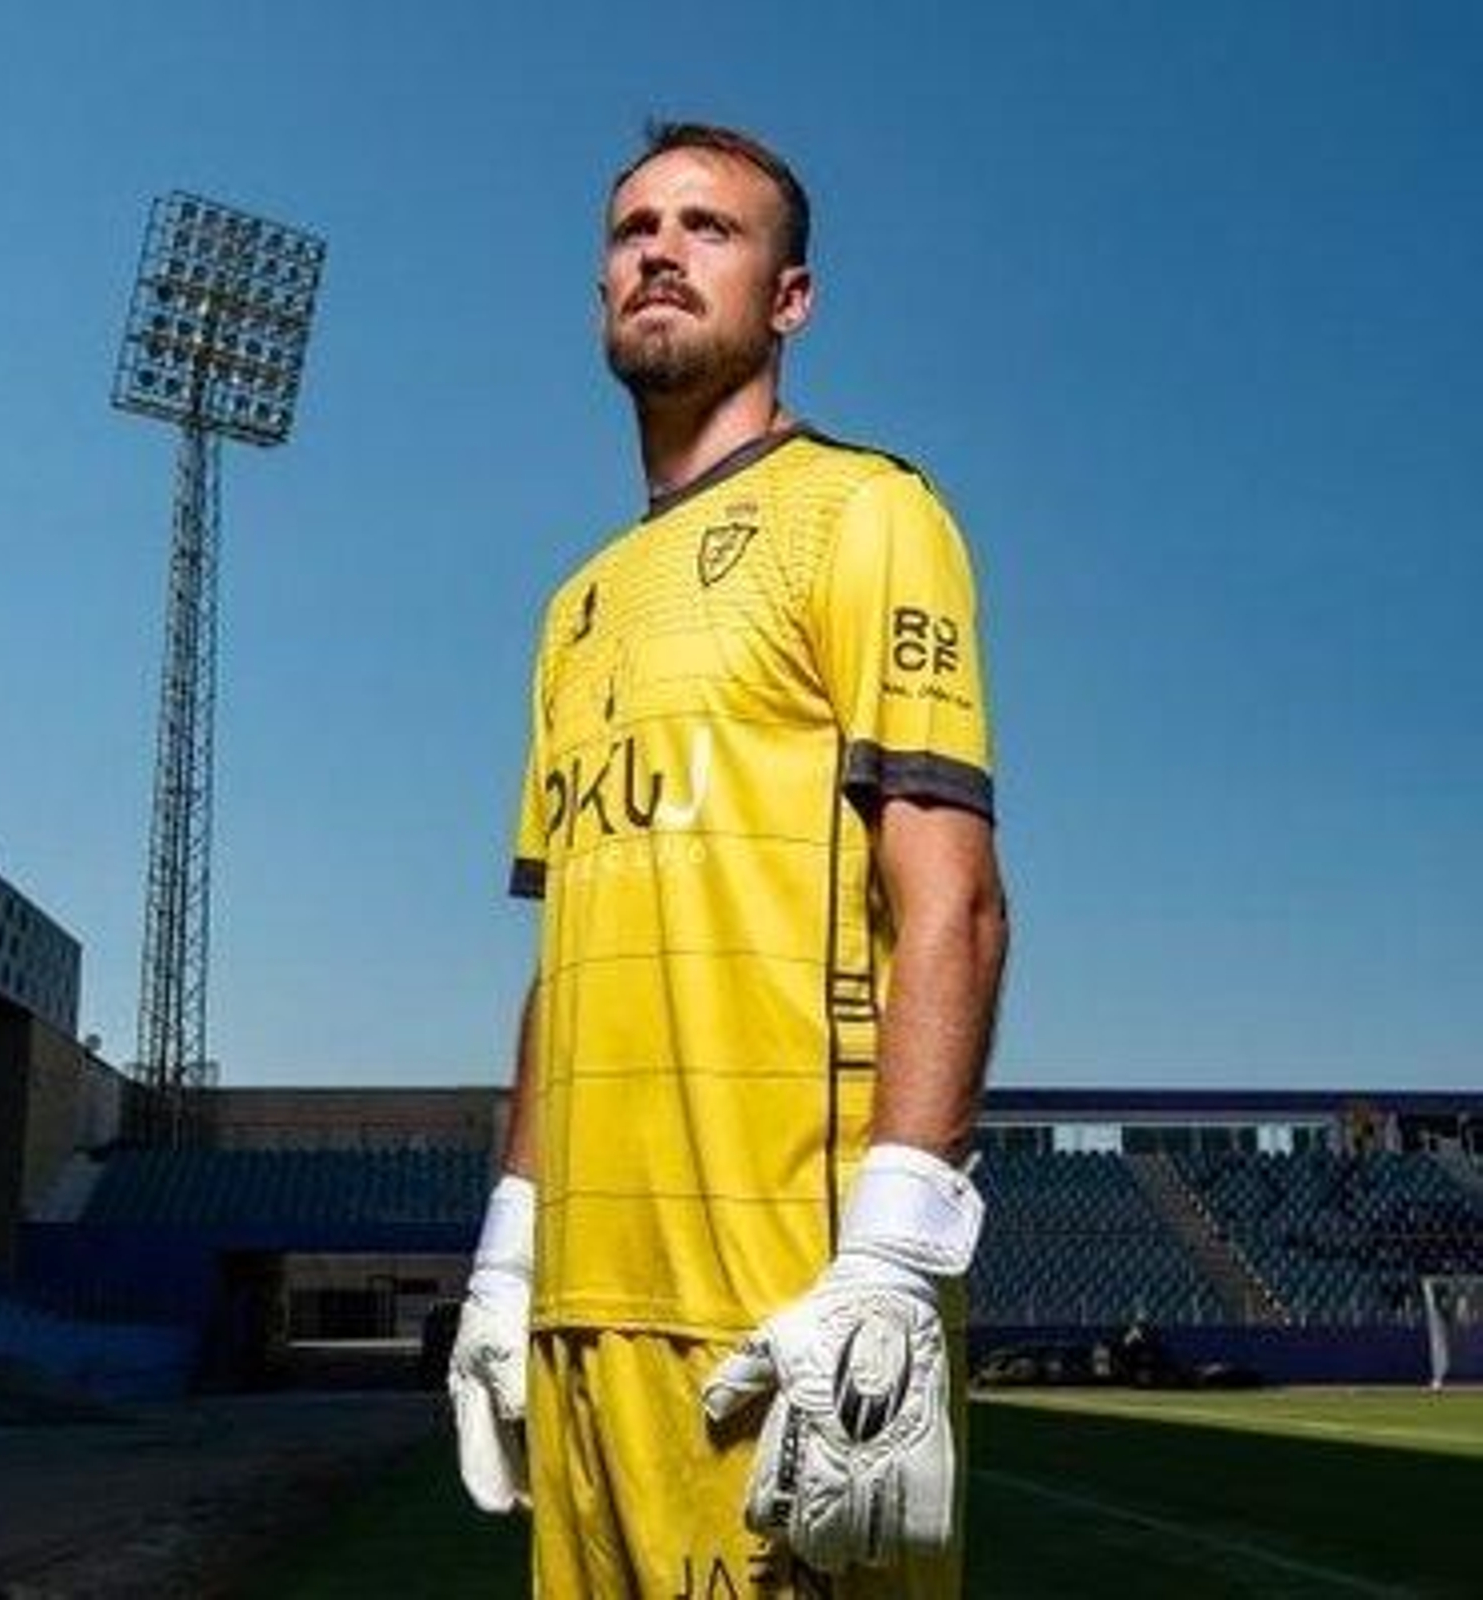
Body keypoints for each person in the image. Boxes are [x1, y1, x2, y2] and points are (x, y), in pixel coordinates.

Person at [449, 122, 1008, 1599]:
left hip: (781, 1305)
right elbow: (562, 956)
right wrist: (510, 1248)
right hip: (585, 1305)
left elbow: (953, 896)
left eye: (710, 227)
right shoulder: (574, 609)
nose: (660, 250)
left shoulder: (870, 515)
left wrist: (892, 1261)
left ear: (790, 297)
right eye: (634, 227)